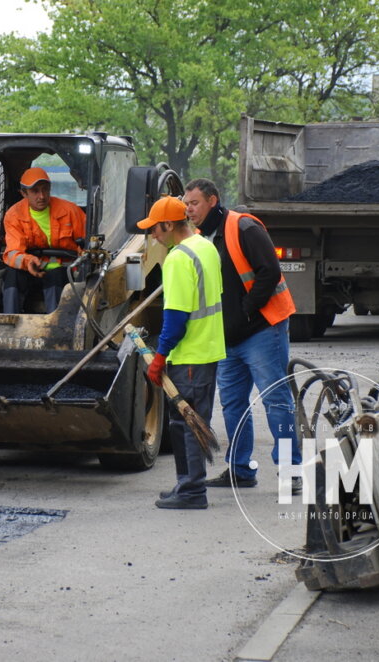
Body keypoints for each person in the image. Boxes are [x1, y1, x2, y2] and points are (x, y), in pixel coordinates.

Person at [182, 178, 302, 493]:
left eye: (193, 203)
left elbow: (270, 272)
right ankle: (240, 470)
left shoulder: (244, 227)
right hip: (229, 337)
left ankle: (292, 472)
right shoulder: (199, 236)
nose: (189, 209)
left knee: (277, 402)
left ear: (212, 200)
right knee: (234, 405)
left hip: (263, 329)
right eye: (186, 204)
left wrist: (247, 310)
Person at [137, 196, 226, 510]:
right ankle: (185, 484)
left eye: (155, 230)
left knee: (187, 424)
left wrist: (159, 356)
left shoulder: (177, 259)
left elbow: (175, 318)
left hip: (189, 354)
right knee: (189, 421)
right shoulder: (205, 247)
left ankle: (192, 491)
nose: (153, 236)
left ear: (168, 224)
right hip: (208, 349)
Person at [2, 167, 86, 313]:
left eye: (45, 189)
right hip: (30, 270)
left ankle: (54, 325)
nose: (42, 196)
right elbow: (13, 252)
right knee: (12, 275)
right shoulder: (13, 216)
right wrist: (28, 262)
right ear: (24, 193)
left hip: (63, 271)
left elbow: (86, 245)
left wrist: (81, 261)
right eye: (35, 191)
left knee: (56, 277)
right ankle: (9, 320)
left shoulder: (70, 211)